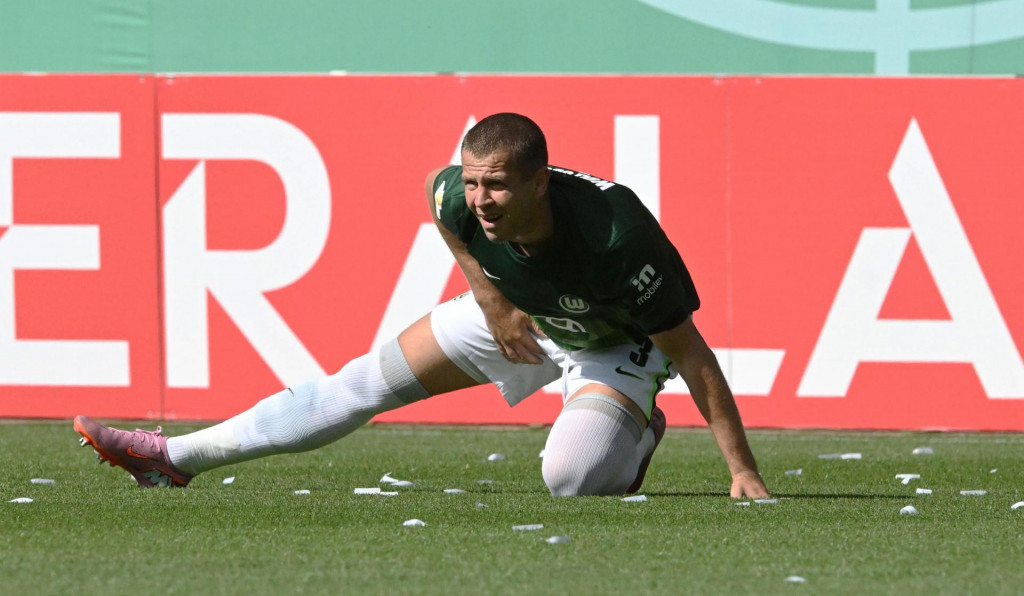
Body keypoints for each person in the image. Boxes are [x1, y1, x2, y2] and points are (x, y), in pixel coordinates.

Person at [75, 113, 770, 498]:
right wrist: (490, 297)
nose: (479, 201)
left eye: (496, 186)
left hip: (614, 344)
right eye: (472, 182)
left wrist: (742, 472)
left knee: (570, 481)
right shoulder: (456, 199)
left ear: (541, 183)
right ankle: (173, 456)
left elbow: (694, 355)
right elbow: (442, 208)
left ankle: (638, 430)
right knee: (356, 386)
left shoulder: (618, 236)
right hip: (521, 318)